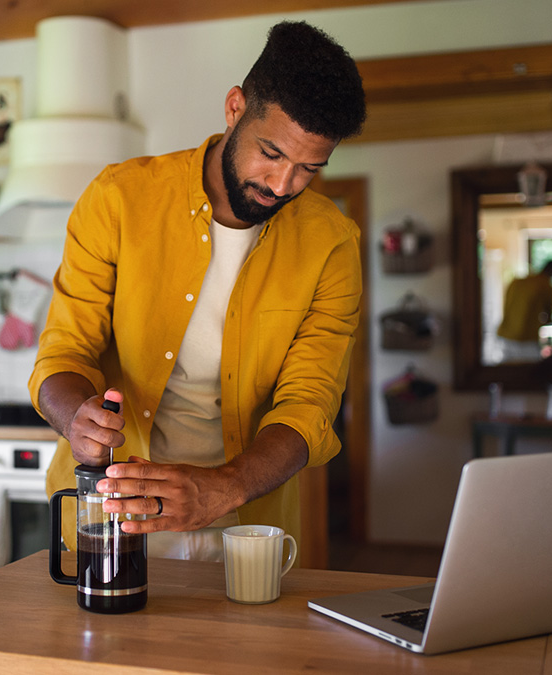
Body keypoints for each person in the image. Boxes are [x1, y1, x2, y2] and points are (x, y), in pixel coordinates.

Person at [30, 20, 367, 562]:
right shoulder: (119, 200)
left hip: (246, 526)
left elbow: (309, 404)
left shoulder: (332, 244)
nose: (283, 186)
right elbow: (63, 353)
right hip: (105, 515)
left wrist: (225, 486)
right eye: (272, 154)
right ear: (235, 107)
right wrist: (75, 418)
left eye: (309, 169)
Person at [495, 260, 552, 362]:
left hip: (506, 335)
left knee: (507, 373)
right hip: (527, 339)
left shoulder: (516, 282)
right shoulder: (545, 285)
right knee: (529, 373)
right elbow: (548, 315)